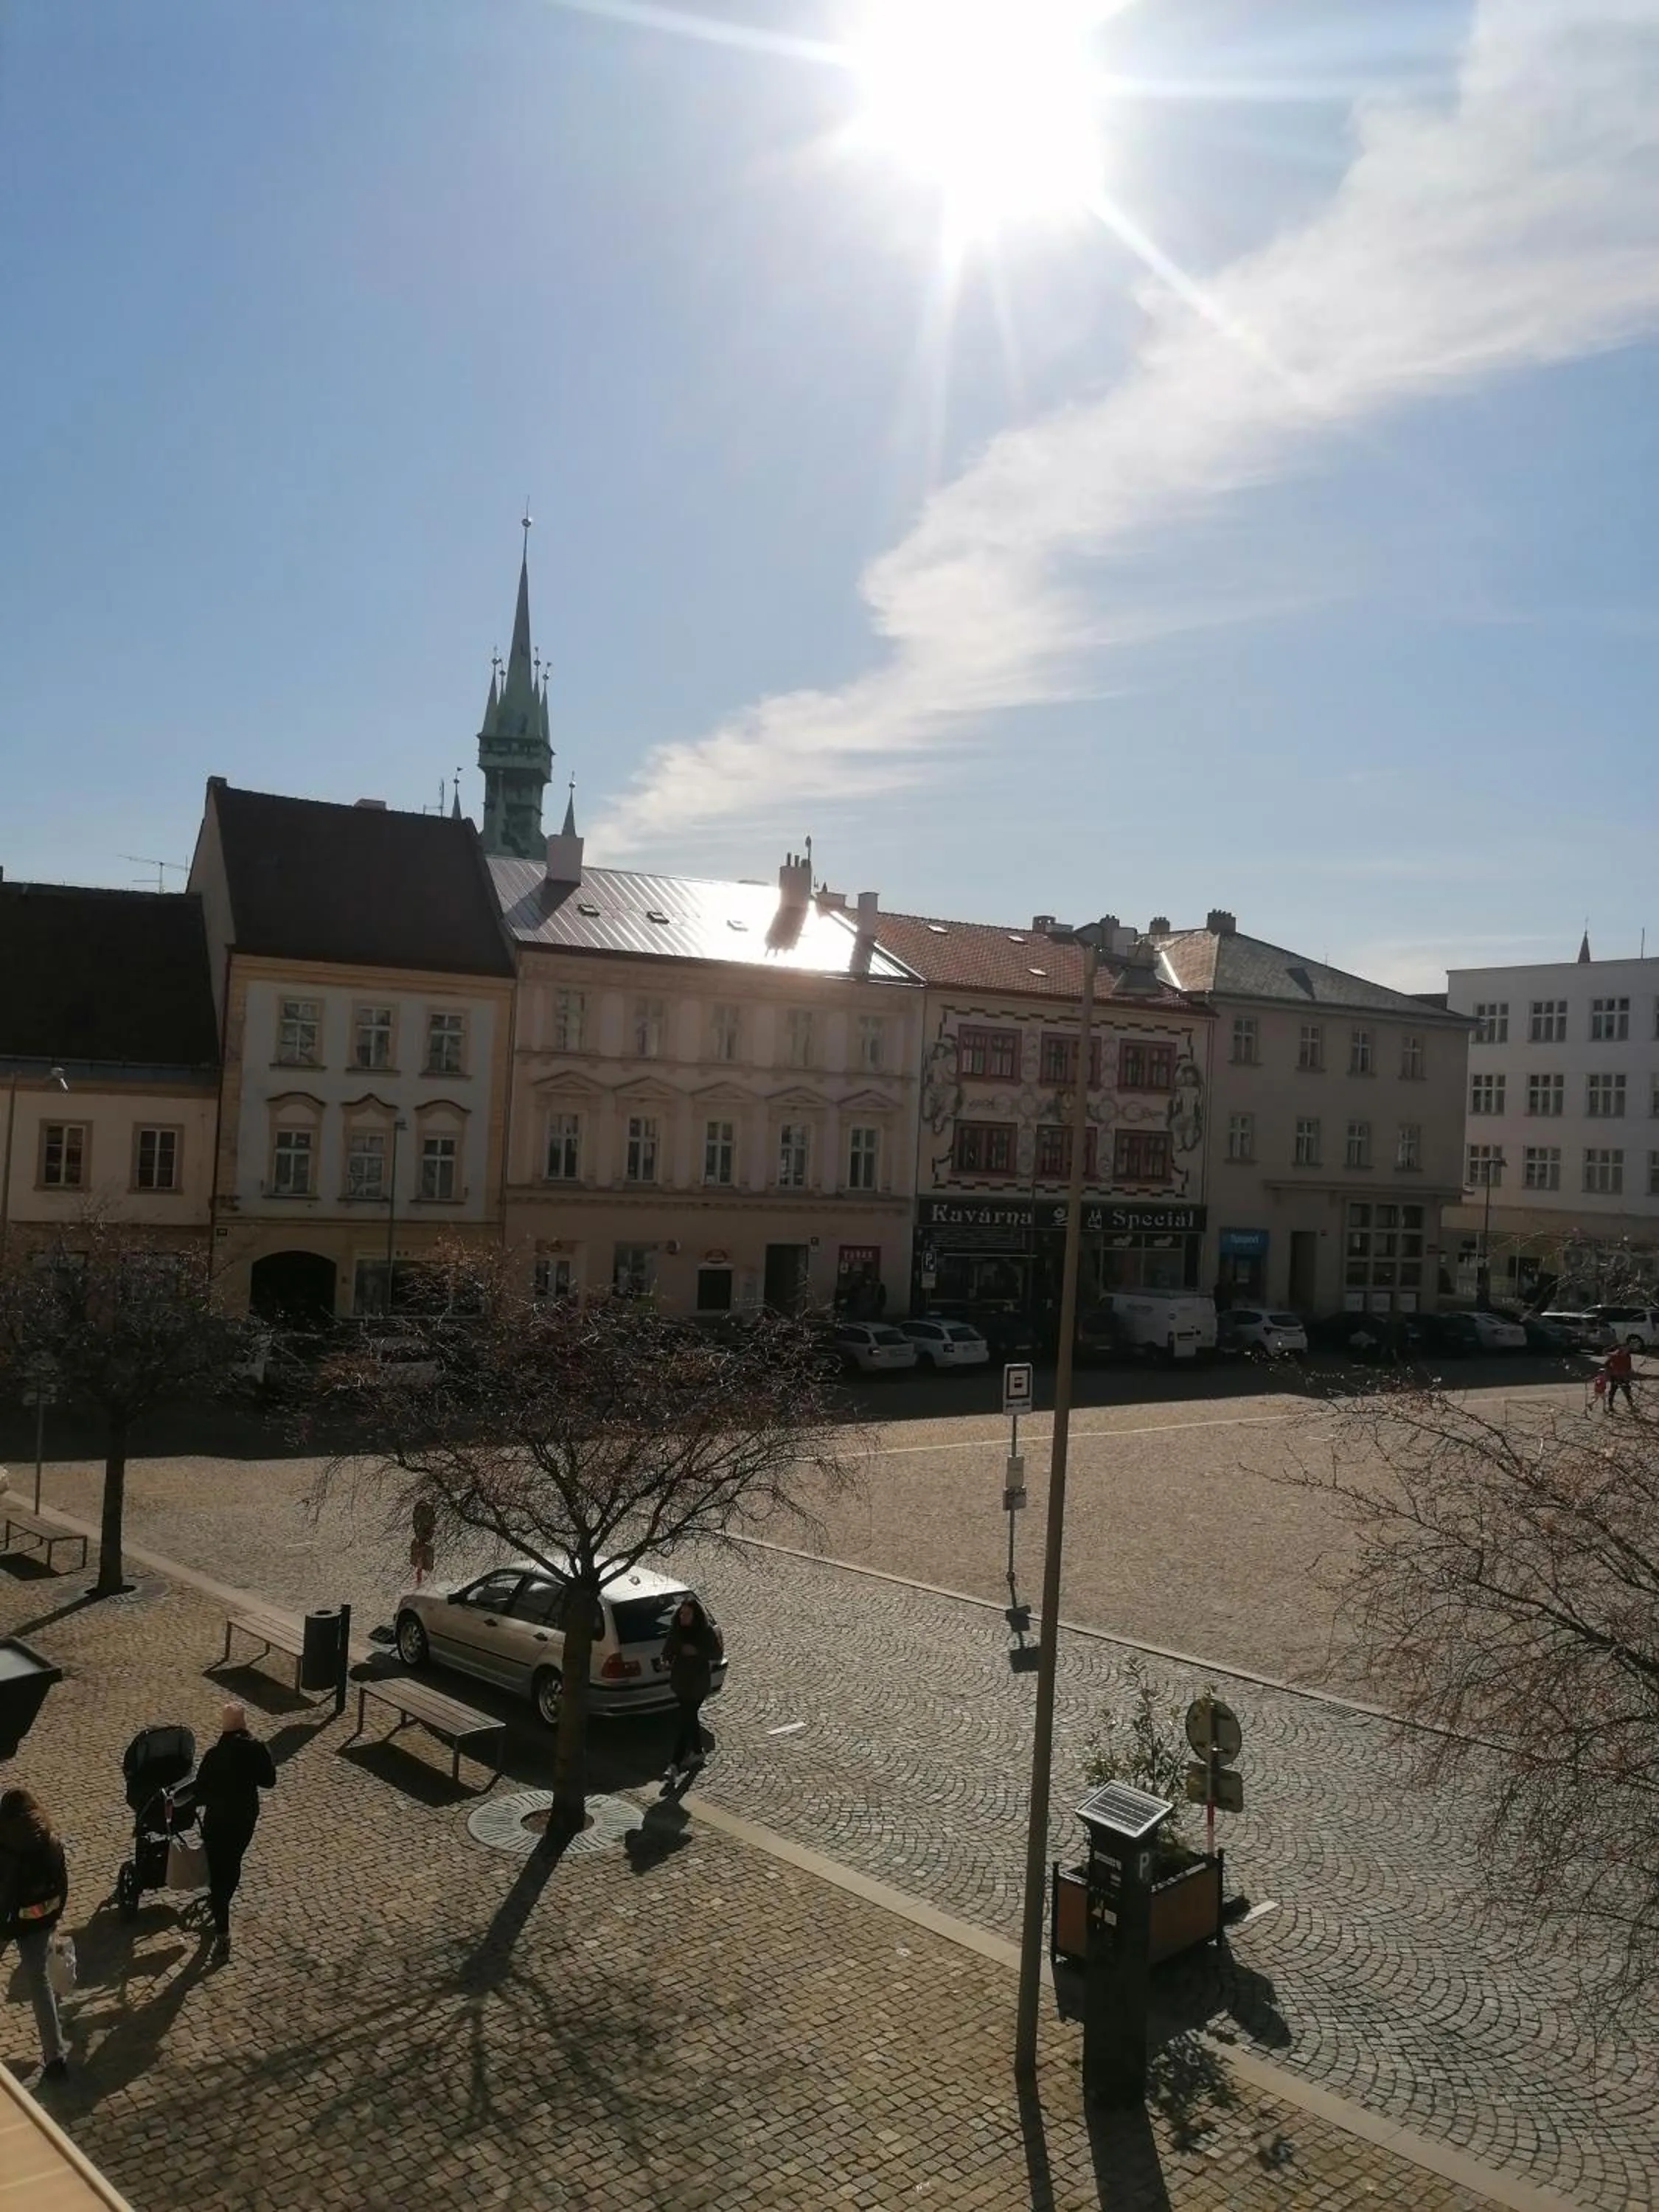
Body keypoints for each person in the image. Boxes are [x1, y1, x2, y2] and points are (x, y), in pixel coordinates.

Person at [193, 1702, 276, 1964]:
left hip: (217, 1821)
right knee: (233, 1862)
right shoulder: (257, 1749)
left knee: (218, 1873)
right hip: (244, 1819)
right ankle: (222, 1901)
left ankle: (222, 1926)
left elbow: (200, 1793)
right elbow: (269, 1781)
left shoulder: (213, 1755)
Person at [0, 1787, 69, 2080]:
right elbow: (62, 1884)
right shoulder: (50, 1841)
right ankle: (55, 2057)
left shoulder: (5, 1844)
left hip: (7, 1919)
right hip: (38, 1916)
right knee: (40, 1983)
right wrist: (52, 1917)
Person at [661, 1597, 722, 1787]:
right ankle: (697, 1752)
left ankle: (674, 1764)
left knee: (685, 1719)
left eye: (687, 1614)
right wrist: (665, 1660)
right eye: (681, 1613)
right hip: (681, 1682)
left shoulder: (705, 1632)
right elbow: (667, 1650)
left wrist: (697, 1652)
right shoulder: (676, 1630)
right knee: (690, 1718)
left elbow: (716, 1654)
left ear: (696, 1616)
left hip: (698, 1683)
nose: (683, 1617)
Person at [1602, 1340, 1636, 1413]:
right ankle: (1611, 1406)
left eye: (1627, 1348)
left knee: (1626, 1392)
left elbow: (1629, 1367)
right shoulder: (1615, 1355)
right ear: (1621, 1348)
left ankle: (1631, 1406)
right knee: (1613, 1391)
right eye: (1625, 1348)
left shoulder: (1627, 1356)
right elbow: (1606, 1360)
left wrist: (1629, 1375)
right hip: (1616, 1376)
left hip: (1623, 1377)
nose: (1627, 1349)